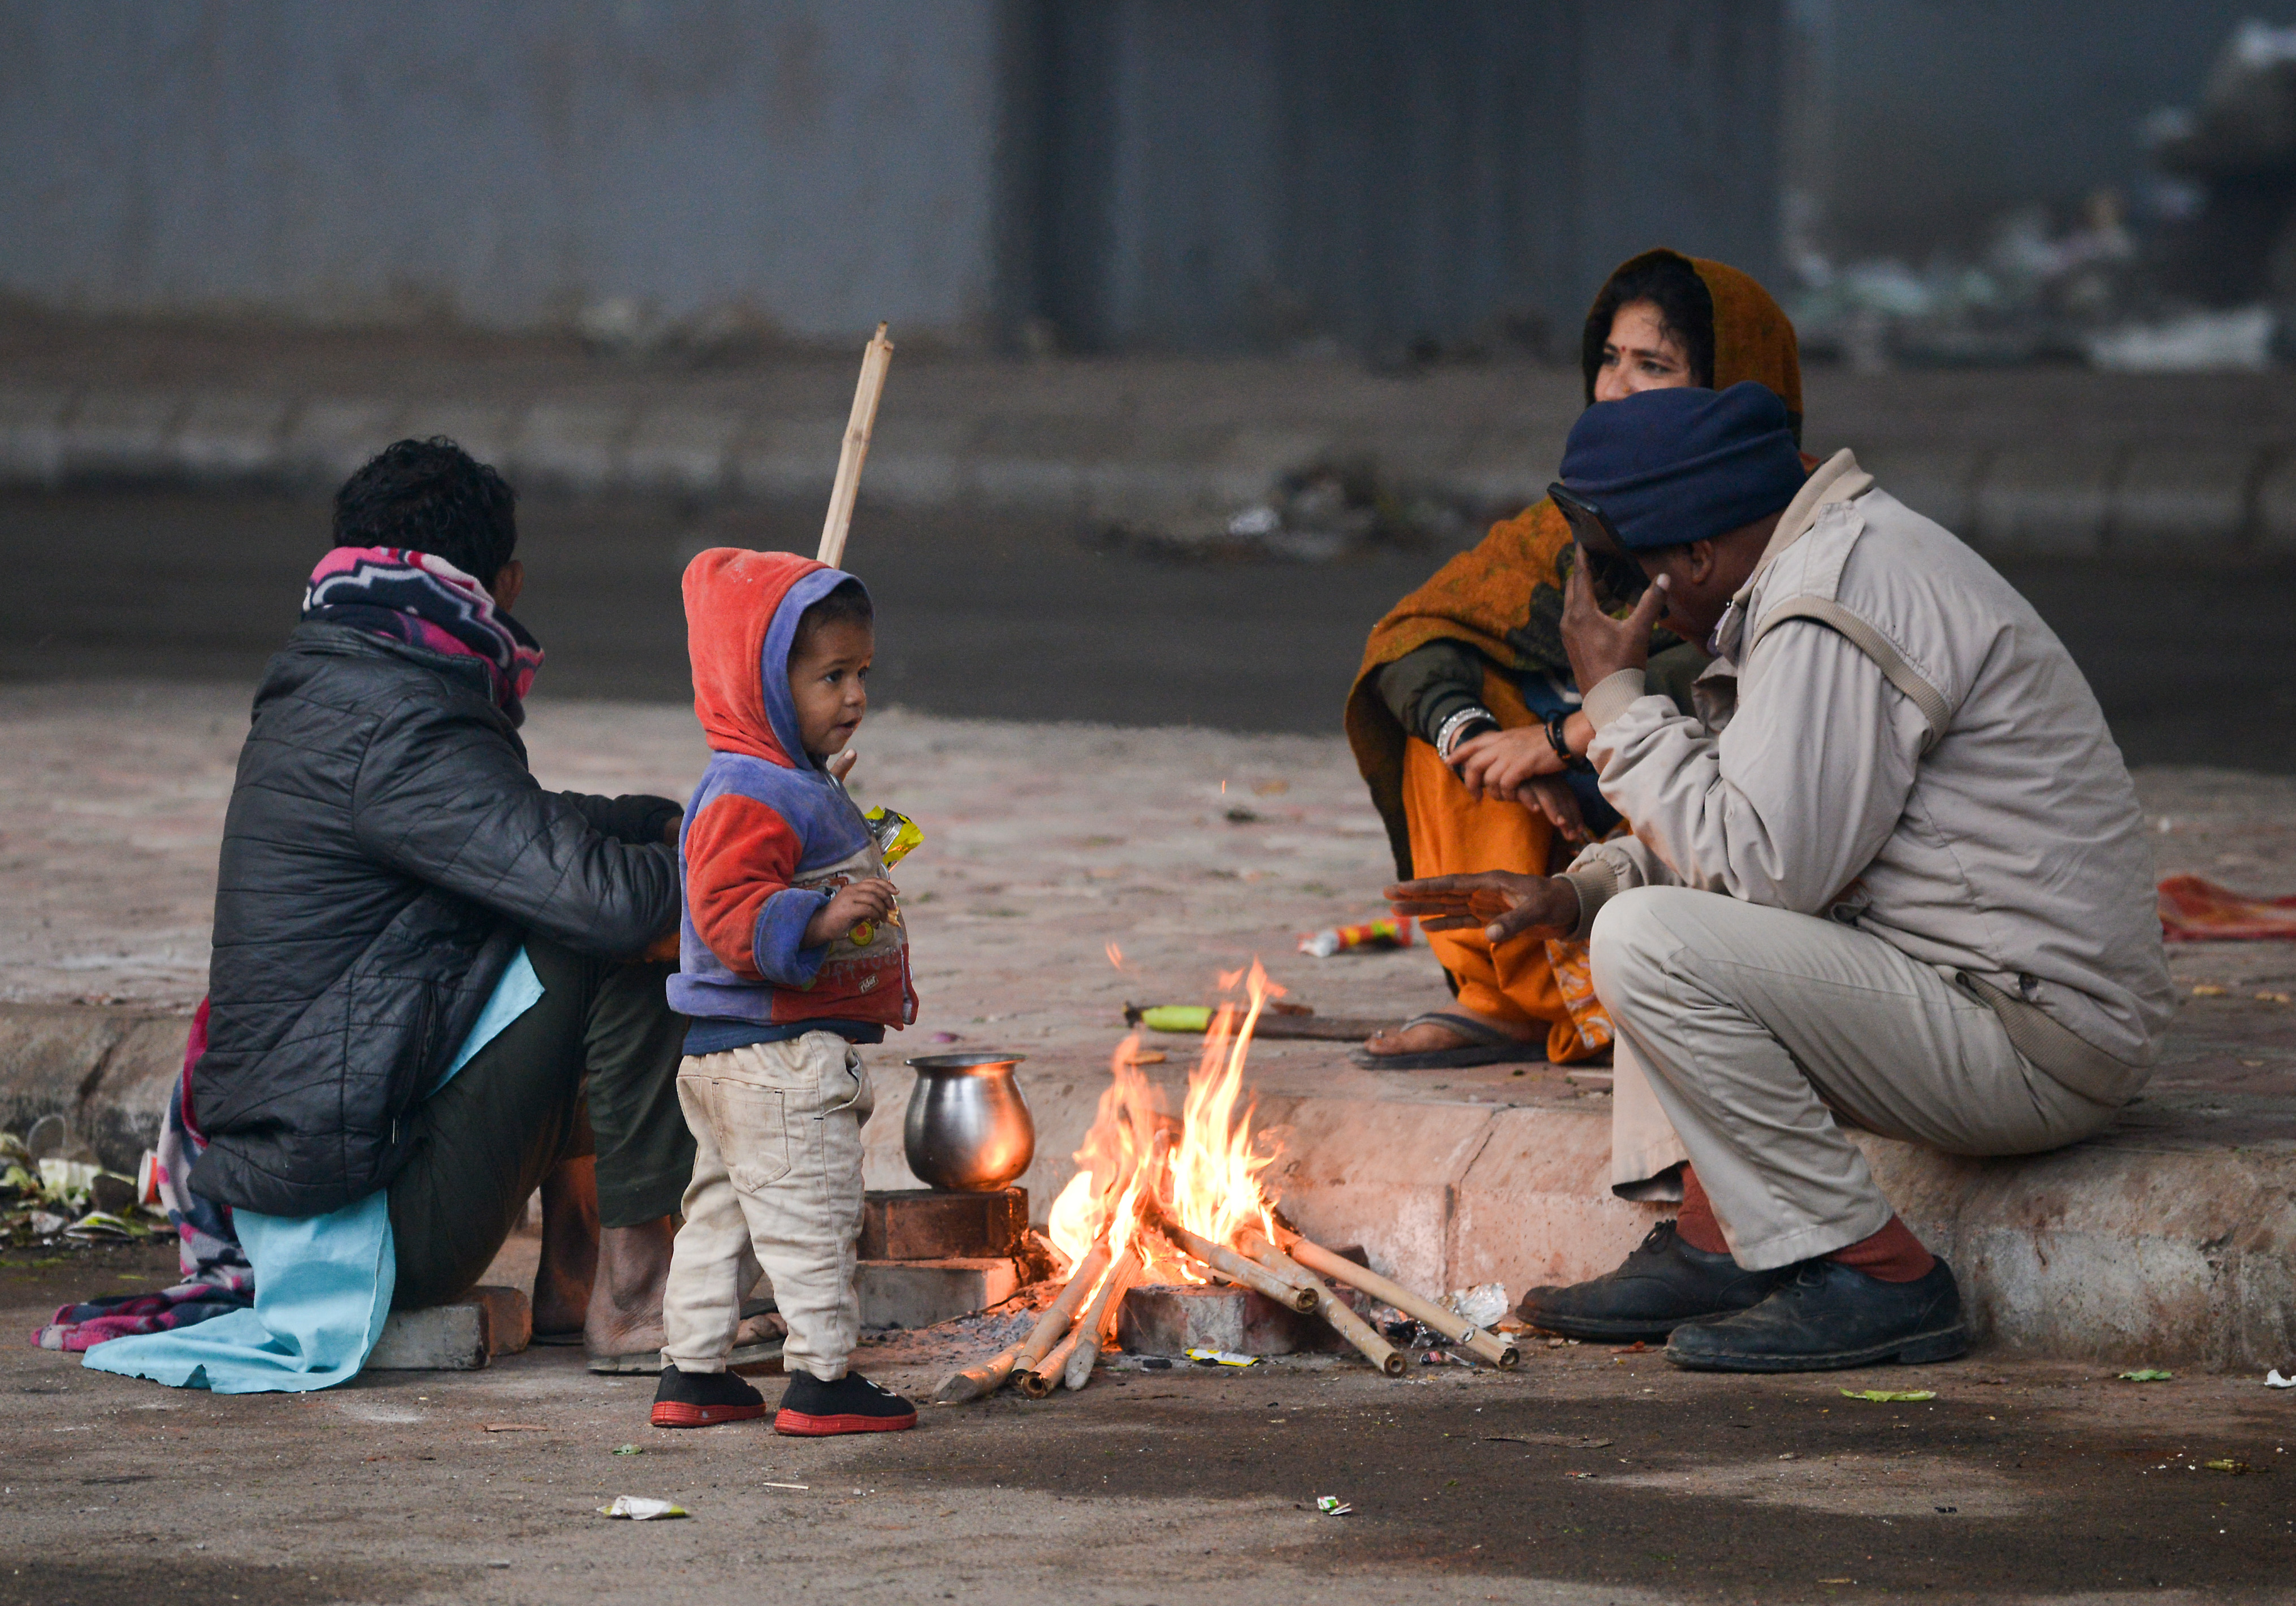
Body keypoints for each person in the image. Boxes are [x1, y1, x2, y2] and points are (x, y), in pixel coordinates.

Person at [1388, 383, 2173, 1373]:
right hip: (1983, 995)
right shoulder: (1812, 565)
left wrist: (1617, 700)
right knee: (1633, 914)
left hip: (2039, 1037)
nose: (1635, 616)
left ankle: (1882, 1275)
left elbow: (1761, 869)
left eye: (1633, 584)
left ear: (1696, 561)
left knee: (1652, 939)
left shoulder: (1827, 602)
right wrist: (1577, 892)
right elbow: (1756, 814)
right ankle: (1721, 1248)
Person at [89, 438, 773, 1393]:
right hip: (365, 1232)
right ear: (506, 581)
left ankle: (576, 1277)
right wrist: (742, 866)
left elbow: (518, 826)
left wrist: (662, 819)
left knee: (591, 892)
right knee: (621, 934)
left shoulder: (342, 676)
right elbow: (605, 904)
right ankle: (636, 1291)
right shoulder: (401, 715)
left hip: (321, 1188)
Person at [1348, 249, 1804, 1069]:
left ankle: (1644, 996)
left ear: (1729, 385)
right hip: (1582, 779)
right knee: (1452, 717)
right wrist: (1479, 737)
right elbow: (1414, 632)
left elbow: (1729, 676)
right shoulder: (1574, 521)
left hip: (1720, 818)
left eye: (1653, 366)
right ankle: (1507, 999)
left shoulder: (1778, 524)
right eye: (1608, 360)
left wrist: (1565, 737)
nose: (1617, 388)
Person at [649, 549, 919, 1436]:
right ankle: (822, 1378)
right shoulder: (751, 789)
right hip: (777, 1057)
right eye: (829, 677)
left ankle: (691, 1372)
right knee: (815, 1218)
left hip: (728, 1058)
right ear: (761, 684)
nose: (853, 697)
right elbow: (727, 912)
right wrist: (821, 916)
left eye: (861, 674)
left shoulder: (788, 777)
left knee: (718, 1219)